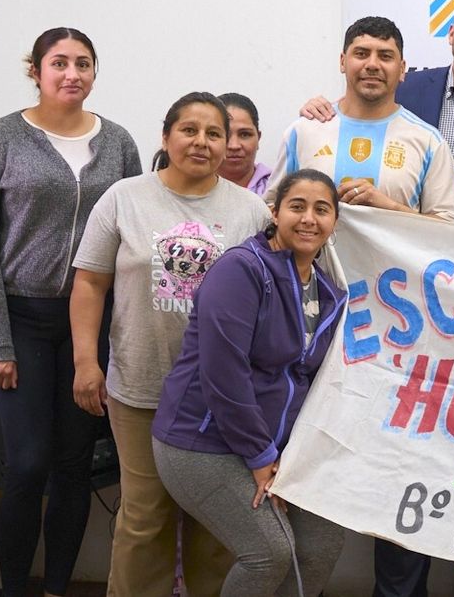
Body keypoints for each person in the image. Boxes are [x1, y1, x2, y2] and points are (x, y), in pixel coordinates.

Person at [0, 27, 141, 597]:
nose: (72, 73)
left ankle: (57, 588)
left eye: (83, 63)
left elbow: (131, 237)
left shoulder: (118, 144)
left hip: (92, 325)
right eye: (58, 63)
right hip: (22, 319)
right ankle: (16, 589)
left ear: (94, 72)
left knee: (73, 466)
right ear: (35, 71)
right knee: (28, 464)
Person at [69, 92, 271, 597]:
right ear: (165, 137)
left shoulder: (250, 211)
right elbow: (89, 284)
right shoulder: (123, 198)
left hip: (218, 398)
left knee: (214, 526)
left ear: (228, 144)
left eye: (214, 133)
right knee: (145, 517)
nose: (201, 142)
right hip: (139, 386)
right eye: (189, 130)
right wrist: (85, 362)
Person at [151, 169, 346, 597]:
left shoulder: (331, 294)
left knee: (321, 542)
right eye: (297, 207)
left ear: (334, 222)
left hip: (277, 448)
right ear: (274, 212)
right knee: (268, 553)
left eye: (322, 209)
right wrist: (261, 457)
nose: (309, 219)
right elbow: (224, 375)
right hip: (202, 442)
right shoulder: (241, 270)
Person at [268, 15, 454, 225]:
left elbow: (449, 231)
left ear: (402, 69)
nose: (372, 64)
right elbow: (270, 211)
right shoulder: (303, 131)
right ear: (343, 61)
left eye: (385, 56)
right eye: (361, 54)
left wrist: (389, 207)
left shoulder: (429, 142)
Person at [300, 0, 454, 152]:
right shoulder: (404, 87)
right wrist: (320, 110)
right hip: (410, 214)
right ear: (452, 33)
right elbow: (352, 109)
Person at [218, 92, 272, 195]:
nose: (234, 146)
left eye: (244, 134)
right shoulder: (189, 191)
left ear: (258, 138)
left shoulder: (280, 188)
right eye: (225, 135)